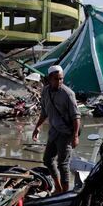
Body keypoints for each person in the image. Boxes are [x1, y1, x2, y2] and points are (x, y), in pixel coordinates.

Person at [32, 65, 81, 193]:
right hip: (54, 131)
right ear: (49, 79)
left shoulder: (68, 94)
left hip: (66, 133)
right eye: (56, 79)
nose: (59, 82)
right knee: (47, 159)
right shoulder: (45, 92)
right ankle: (58, 187)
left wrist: (75, 136)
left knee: (63, 164)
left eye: (61, 79)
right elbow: (44, 112)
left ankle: (64, 192)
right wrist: (37, 127)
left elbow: (76, 117)